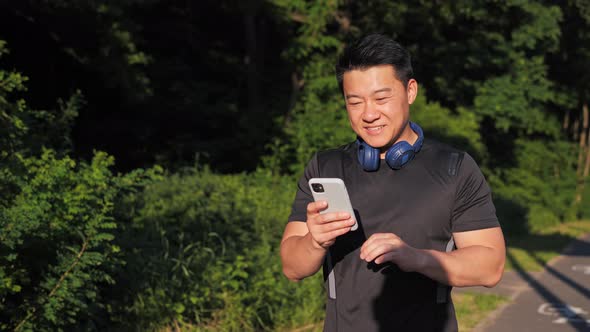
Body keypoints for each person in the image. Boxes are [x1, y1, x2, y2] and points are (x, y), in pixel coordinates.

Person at [279, 33, 505, 332]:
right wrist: (315, 241)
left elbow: (490, 267)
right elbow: (292, 267)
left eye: (381, 98)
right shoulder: (326, 167)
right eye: (355, 102)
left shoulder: (455, 168)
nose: (369, 114)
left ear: (410, 91)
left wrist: (417, 258)